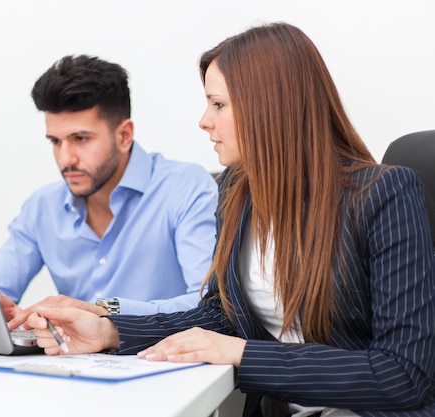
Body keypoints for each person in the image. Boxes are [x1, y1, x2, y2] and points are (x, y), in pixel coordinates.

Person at [26, 23, 435, 417]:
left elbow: (403, 373)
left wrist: (241, 354)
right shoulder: (237, 188)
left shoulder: (385, 194)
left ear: (272, 108)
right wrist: (109, 331)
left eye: (218, 104)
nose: (204, 121)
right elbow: (222, 314)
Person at [0, 55, 218, 329]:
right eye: (55, 141)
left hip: (164, 360)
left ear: (124, 136)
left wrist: (103, 311)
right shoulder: (42, 206)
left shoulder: (184, 187)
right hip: (70, 363)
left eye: (81, 139)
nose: (65, 159)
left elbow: (207, 302)